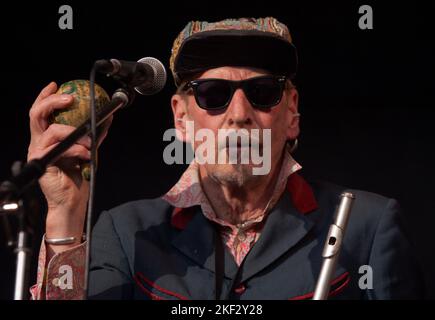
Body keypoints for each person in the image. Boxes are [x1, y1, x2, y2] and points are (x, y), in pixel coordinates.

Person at [28, 17, 423, 300]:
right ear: (181, 118)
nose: (238, 113)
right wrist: (65, 209)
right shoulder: (125, 233)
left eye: (263, 91)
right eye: (213, 94)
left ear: (292, 114)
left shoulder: (369, 227)